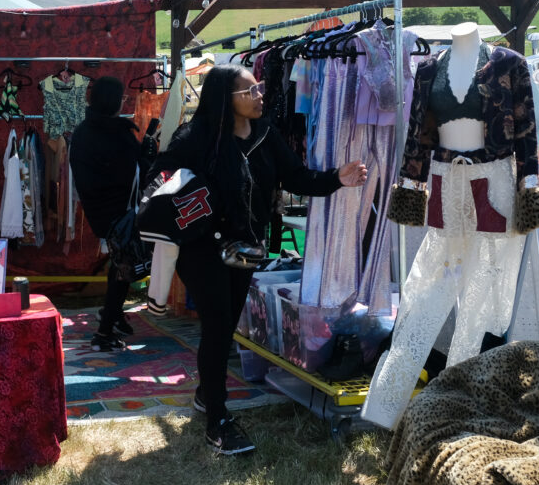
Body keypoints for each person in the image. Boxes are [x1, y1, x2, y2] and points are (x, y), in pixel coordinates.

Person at [150, 64, 367, 455]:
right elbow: (162, 181)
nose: (260, 95)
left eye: (260, 87)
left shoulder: (266, 134)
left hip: (245, 247)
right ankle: (217, 421)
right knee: (218, 326)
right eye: (250, 90)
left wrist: (338, 178)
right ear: (225, 98)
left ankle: (206, 394)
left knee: (227, 324)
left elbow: (296, 177)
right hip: (202, 250)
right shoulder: (195, 138)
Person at [70, 77, 153, 352]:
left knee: (119, 262)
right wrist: (147, 156)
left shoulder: (84, 131)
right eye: (122, 98)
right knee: (123, 264)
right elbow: (132, 171)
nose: (124, 102)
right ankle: (103, 333)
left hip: (98, 209)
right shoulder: (116, 133)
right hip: (119, 209)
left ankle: (112, 315)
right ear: (113, 101)